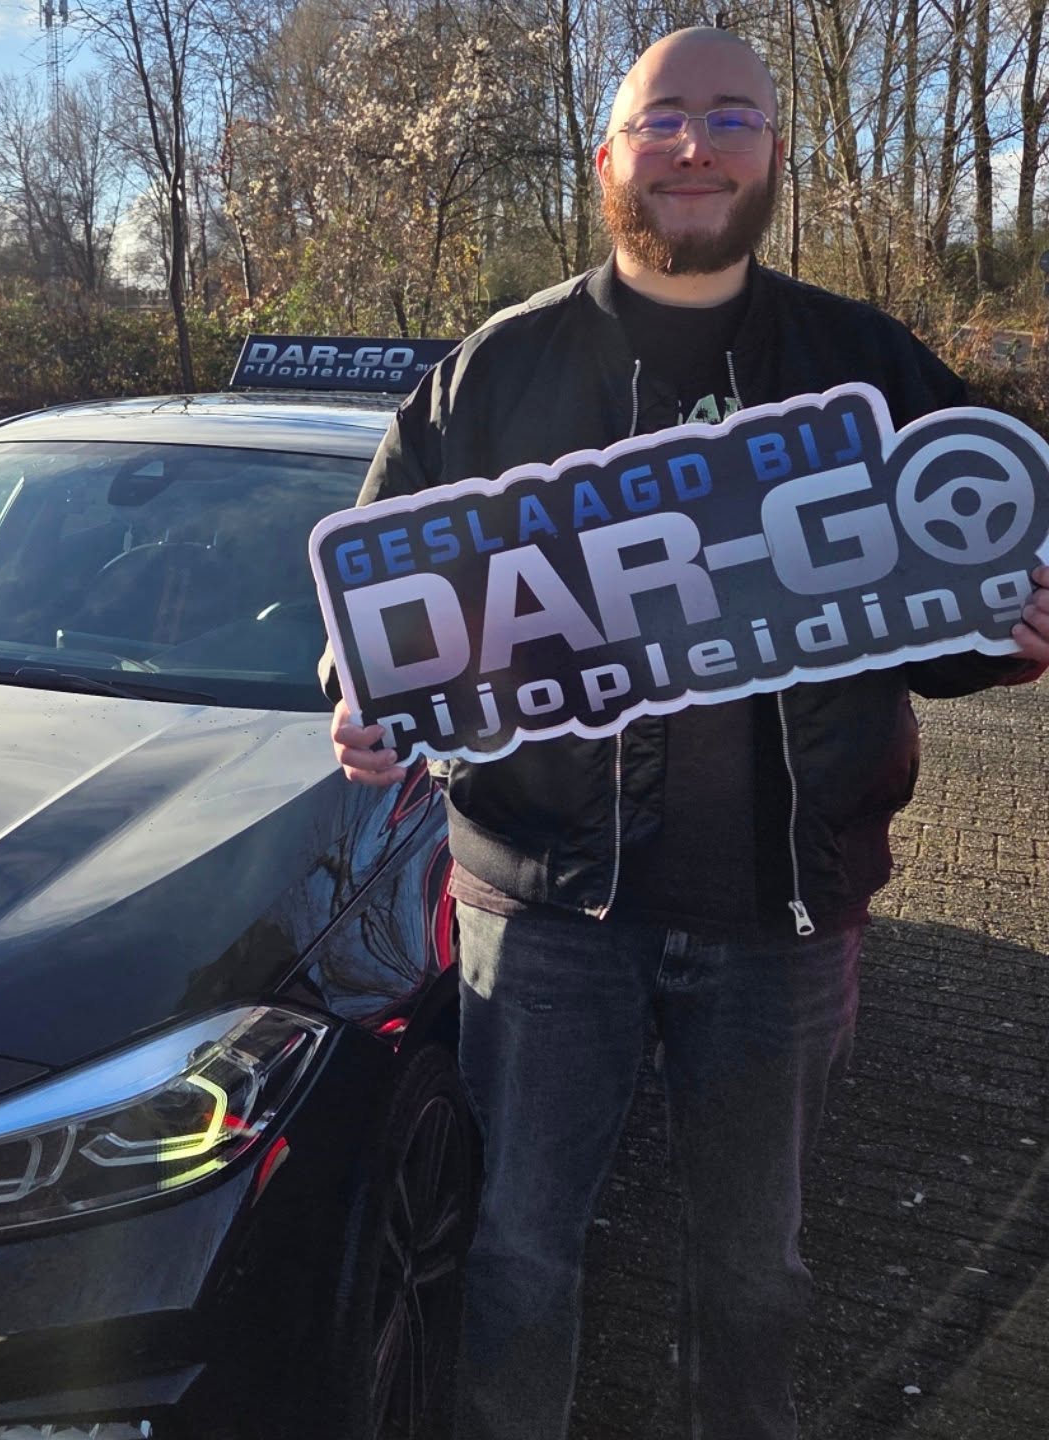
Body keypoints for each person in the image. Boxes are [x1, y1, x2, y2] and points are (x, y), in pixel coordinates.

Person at [325, 25, 1049, 1440]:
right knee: (518, 1257)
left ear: (777, 152)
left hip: (787, 915)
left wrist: (1015, 636)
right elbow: (377, 607)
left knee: (755, 1276)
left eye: (731, 117)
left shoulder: (870, 366)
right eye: (662, 119)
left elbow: (952, 609)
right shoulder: (494, 372)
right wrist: (358, 700)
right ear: (608, 155)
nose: (695, 146)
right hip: (545, 907)